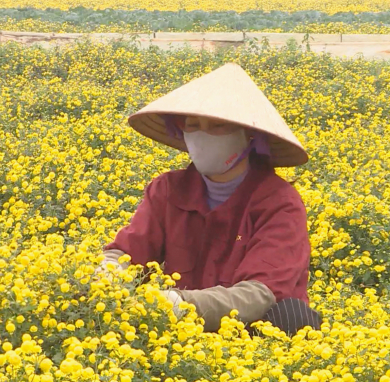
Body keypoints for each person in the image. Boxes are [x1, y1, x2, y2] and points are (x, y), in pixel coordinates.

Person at [98, 63, 321, 336]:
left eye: (218, 126)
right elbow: (129, 251)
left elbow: (261, 292)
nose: (203, 135)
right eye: (193, 125)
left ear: (249, 136)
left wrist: (181, 304)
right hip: (176, 329)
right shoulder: (168, 189)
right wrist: (107, 274)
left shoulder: (279, 202)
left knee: (293, 316)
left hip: (247, 333)